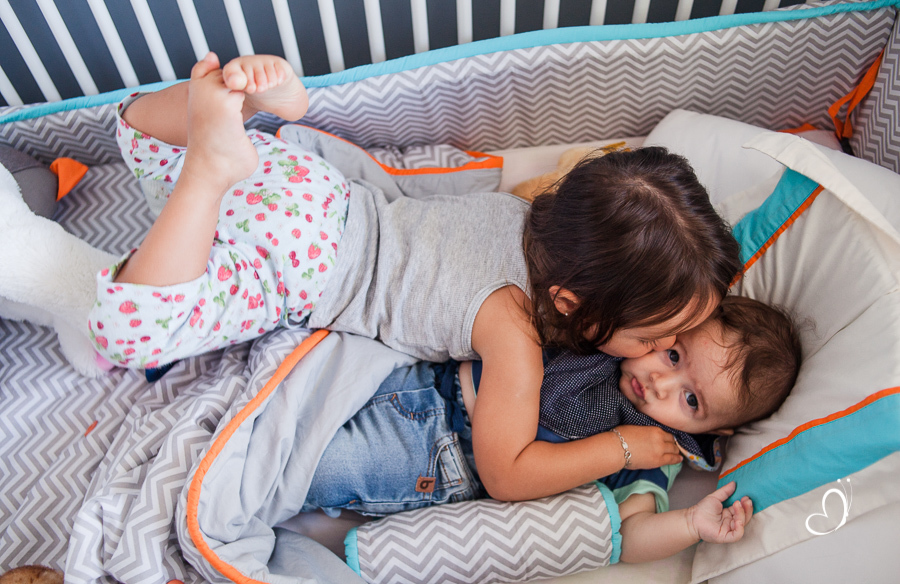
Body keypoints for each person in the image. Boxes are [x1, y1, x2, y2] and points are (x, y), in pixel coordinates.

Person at [88, 53, 743, 502]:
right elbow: (507, 471)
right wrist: (622, 448)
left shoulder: (525, 207)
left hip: (305, 186)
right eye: (657, 337)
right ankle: (207, 174)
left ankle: (245, 109)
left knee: (140, 137)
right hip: (299, 267)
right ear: (572, 304)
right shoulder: (512, 330)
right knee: (128, 333)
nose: (658, 355)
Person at [302, 295, 802, 563]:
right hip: (423, 372)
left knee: (316, 467)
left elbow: (631, 537)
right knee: (296, 383)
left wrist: (691, 525)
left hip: (438, 456)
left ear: (712, 432)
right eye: (673, 355)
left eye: (691, 400)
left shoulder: (655, 448)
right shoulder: (618, 333)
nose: (659, 382)